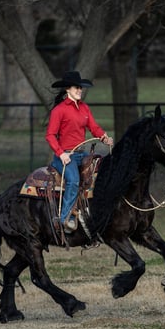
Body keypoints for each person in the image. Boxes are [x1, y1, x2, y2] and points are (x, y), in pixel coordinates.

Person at [46, 70, 113, 233]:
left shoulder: (84, 108)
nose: (80, 90)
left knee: (103, 171)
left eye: (81, 88)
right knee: (74, 181)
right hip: (65, 156)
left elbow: (93, 127)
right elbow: (50, 135)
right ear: (67, 89)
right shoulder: (59, 110)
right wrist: (61, 154)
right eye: (77, 87)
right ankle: (65, 218)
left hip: (82, 154)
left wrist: (104, 137)